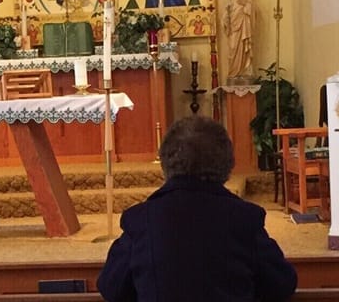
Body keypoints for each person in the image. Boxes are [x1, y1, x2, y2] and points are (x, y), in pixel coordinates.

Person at [97, 116, 297, 302]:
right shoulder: (244, 218)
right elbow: (281, 285)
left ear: (165, 163)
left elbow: (111, 288)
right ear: (227, 163)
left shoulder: (141, 220)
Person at [223, 0, 255, 81]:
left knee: (244, 49)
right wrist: (226, 22)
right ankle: (233, 73)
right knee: (233, 49)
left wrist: (245, 4)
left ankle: (243, 72)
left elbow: (252, 11)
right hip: (233, 27)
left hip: (244, 27)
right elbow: (225, 12)